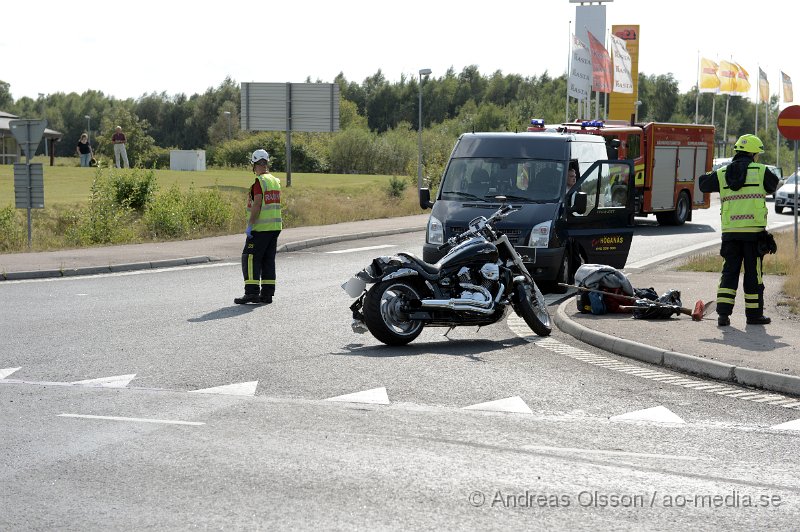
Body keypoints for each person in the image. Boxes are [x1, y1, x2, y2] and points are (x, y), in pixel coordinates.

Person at [698, 134, 780, 326]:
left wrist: (715, 171)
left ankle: (723, 316)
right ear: (752, 153)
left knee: (729, 273)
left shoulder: (722, 173)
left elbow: (703, 184)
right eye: (757, 153)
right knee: (754, 275)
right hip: (754, 235)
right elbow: (773, 184)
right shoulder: (761, 171)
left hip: (731, 234)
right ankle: (753, 316)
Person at [234, 149, 283, 305]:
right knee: (268, 260)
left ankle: (252, 293)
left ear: (254, 165)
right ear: (266, 163)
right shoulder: (275, 181)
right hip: (275, 228)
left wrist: (250, 225)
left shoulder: (259, 182)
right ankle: (267, 295)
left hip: (261, 228)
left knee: (249, 258)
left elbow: (257, 204)